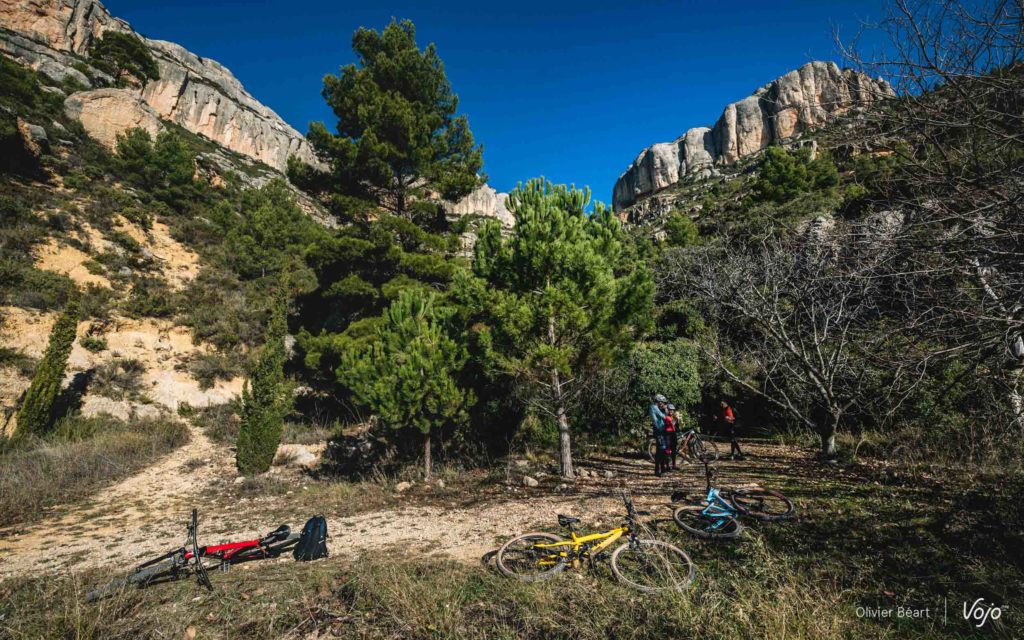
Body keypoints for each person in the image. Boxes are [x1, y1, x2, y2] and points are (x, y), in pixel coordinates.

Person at [649, 394, 669, 476]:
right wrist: (665, 411)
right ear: (659, 402)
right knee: (661, 449)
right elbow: (663, 417)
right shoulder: (654, 407)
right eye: (663, 402)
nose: (663, 404)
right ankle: (658, 470)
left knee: (661, 450)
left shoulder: (656, 408)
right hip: (659, 430)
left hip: (662, 430)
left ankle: (662, 468)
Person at [665, 403, 679, 471]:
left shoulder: (672, 417)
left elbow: (676, 426)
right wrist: (676, 418)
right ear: (667, 410)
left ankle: (674, 465)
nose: (671, 411)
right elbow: (672, 423)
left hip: (673, 434)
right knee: (668, 450)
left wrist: (678, 420)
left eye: (673, 410)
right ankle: (667, 466)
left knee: (674, 450)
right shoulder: (666, 417)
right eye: (670, 410)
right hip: (668, 434)